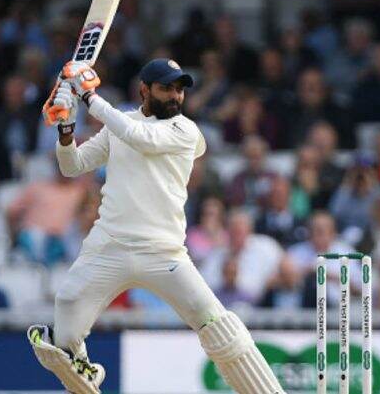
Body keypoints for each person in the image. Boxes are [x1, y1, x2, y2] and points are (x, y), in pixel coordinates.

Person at [27, 58, 285, 394]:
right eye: (166, 88)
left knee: (219, 327)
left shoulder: (185, 131)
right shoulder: (118, 126)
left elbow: (140, 137)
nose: (175, 96)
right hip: (110, 246)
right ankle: (80, 367)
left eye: (179, 89)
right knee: (65, 313)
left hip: (164, 253)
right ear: (144, 90)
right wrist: (66, 128)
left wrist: (89, 97)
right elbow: (73, 166)